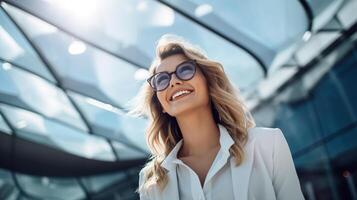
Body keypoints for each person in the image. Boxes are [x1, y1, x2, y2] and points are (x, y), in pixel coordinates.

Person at [130, 34, 305, 200]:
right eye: (161, 80)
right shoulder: (152, 181)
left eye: (185, 70)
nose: (174, 82)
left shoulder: (268, 144)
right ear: (161, 105)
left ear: (209, 81)